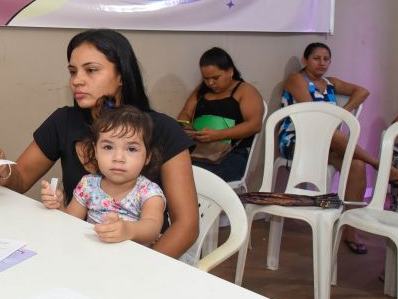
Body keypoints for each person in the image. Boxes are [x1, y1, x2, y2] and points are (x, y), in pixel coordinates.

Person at [0, 28, 198, 258]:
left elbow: (187, 226)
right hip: (81, 252)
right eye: (73, 72)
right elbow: (19, 181)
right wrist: (3, 170)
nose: (77, 81)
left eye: (91, 70)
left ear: (121, 75)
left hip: (147, 257)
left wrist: (142, 272)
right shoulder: (64, 122)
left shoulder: (162, 130)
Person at [279, 42, 397, 255]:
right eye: (316, 58)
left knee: (358, 165)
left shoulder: (330, 83)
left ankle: (350, 230)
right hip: (297, 141)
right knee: (330, 133)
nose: (322, 63)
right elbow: (314, 114)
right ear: (305, 61)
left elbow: (362, 91)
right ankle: (381, 166)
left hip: (329, 144)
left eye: (326, 59)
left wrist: (344, 112)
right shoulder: (297, 79)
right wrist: (336, 120)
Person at [40, 105, 165, 244]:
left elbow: (152, 227)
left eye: (131, 149)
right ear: (96, 151)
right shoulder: (88, 185)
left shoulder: (149, 192)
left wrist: (127, 230)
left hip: (131, 261)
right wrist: (58, 206)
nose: (118, 157)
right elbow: (70, 220)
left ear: (147, 156)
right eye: (108, 147)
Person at [177, 47, 264, 182]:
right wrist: (186, 129)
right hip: (199, 150)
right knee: (171, 168)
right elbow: (186, 113)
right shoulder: (201, 91)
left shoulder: (245, 91)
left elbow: (254, 125)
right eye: (206, 79)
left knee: (194, 176)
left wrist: (218, 135)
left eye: (215, 78)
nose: (211, 83)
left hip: (232, 153)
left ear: (230, 71)